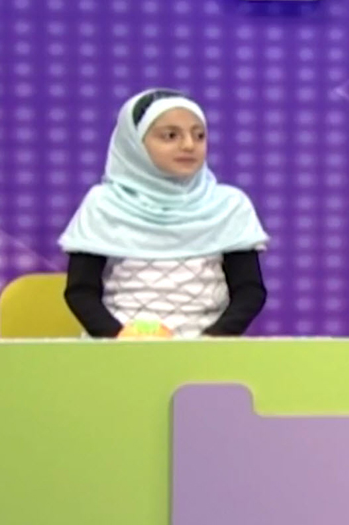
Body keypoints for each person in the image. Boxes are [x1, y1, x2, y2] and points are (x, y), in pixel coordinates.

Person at [59, 88, 269, 338]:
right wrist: (119, 337)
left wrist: (212, 340)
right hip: (117, 347)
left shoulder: (229, 205)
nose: (189, 145)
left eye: (199, 136)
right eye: (170, 135)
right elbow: (81, 291)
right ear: (134, 144)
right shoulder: (103, 204)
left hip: (207, 349)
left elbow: (249, 291)